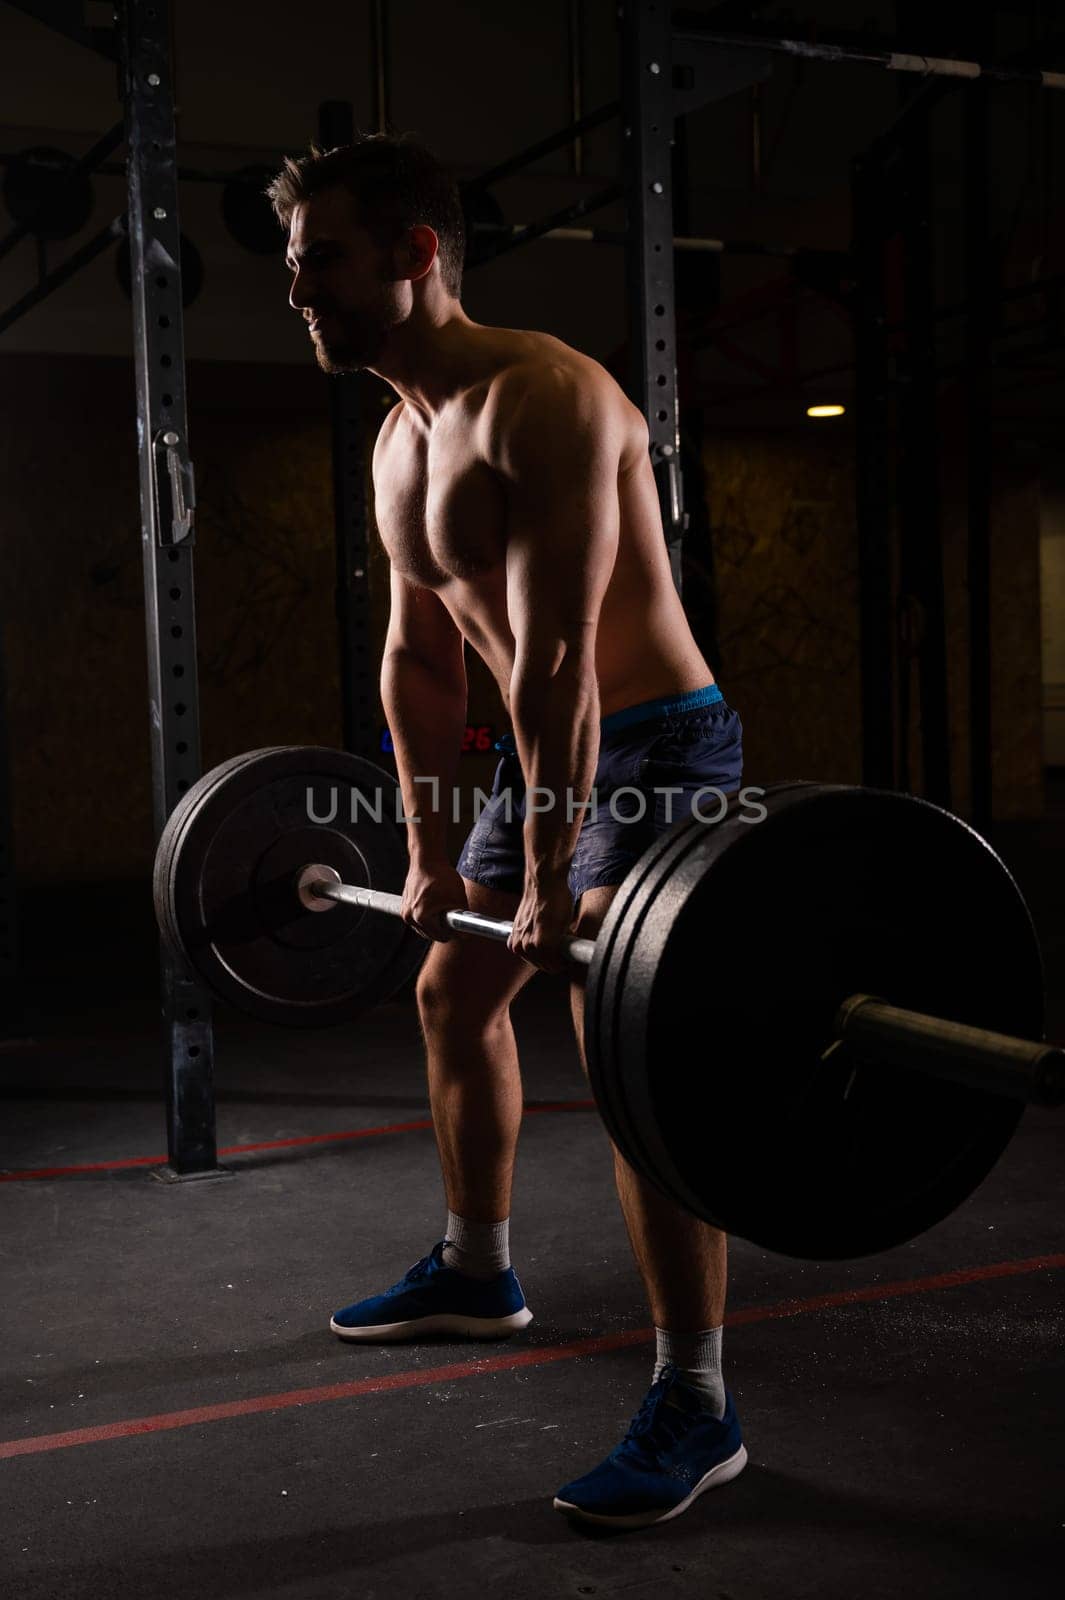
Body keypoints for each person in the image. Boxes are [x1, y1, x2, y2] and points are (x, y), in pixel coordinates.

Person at [267, 135, 746, 1530]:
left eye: (321, 265)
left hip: (647, 744)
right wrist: (424, 854)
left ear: (416, 256)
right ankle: (478, 1271)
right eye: (295, 271)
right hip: (552, 755)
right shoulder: (398, 434)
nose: (300, 296)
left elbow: (552, 664)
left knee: (626, 1051)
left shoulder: (546, 398)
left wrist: (546, 879)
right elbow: (423, 664)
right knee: (451, 982)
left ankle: (697, 1400)